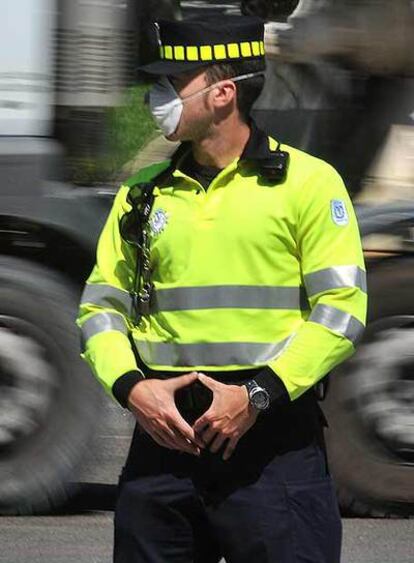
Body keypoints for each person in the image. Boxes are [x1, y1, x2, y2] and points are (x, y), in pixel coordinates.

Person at [77, 14, 367, 563]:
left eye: (171, 85)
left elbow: (342, 310)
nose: (156, 97)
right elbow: (101, 307)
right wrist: (132, 389)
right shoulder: (141, 195)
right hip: (162, 443)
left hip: (271, 446)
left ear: (222, 93)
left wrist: (256, 397)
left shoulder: (307, 184)